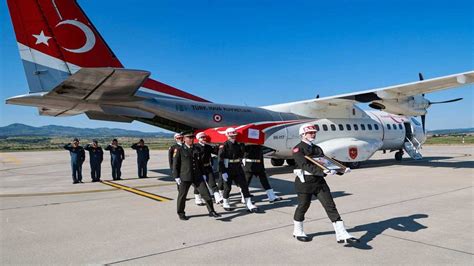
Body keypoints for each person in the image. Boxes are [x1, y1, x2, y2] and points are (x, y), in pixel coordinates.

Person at [291, 123, 357, 243]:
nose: (313, 134)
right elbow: (304, 165)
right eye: (310, 132)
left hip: (319, 182)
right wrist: (323, 171)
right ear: (303, 134)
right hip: (305, 182)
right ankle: (297, 231)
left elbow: (326, 162)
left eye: (314, 132)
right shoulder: (298, 149)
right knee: (303, 206)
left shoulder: (317, 148)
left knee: (330, 205)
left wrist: (341, 169)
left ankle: (341, 233)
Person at [173, 132, 221, 220]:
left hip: (197, 176)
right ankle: (181, 213)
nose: (191, 139)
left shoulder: (196, 148)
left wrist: (203, 173)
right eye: (189, 137)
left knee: (206, 194)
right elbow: (175, 164)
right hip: (185, 176)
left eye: (192, 137)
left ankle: (211, 211)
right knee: (182, 196)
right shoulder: (179, 149)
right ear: (184, 139)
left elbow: (201, 161)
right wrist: (176, 177)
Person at [218, 128, 258, 212]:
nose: (233, 137)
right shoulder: (224, 145)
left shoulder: (238, 144)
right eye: (231, 136)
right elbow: (220, 160)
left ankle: (249, 203)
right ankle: (225, 202)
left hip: (237, 167)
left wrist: (243, 145)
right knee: (227, 187)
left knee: (244, 185)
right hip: (228, 168)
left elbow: (241, 154)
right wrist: (223, 171)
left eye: (234, 135)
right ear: (227, 135)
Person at [168, 132, 203, 206]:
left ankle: (198, 198)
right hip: (180, 171)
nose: (179, 139)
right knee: (181, 187)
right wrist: (174, 172)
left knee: (196, 185)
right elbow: (172, 161)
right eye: (178, 138)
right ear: (175, 139)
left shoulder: (188, 146)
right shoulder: (173, 147)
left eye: (180, 138)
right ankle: (182, 197)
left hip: (189, 171)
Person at [195, 132, 223, 203]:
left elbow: (216, 152)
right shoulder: (195, 147)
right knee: (199, 184)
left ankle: (217, 197)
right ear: (198, 139)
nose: (204, 138)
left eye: (204, 137)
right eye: (202, 137)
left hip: (208, 167)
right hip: (199, 169)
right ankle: (197, 198)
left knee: (212, 183)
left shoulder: (207, 146)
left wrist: (219, 147)